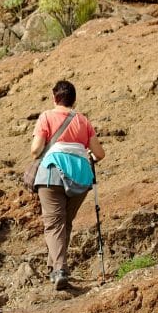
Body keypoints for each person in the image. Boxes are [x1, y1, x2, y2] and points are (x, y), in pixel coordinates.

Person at [30, 80, 105, 290]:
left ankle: (60, 269)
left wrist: (42, 146)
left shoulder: (46, 116)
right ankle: (53, 267)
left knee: (54, 224)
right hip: (81, 176)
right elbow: (99, 154)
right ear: (74, 100)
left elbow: (35, 150)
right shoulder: (83, 121)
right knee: (64, 223)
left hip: (52, 173)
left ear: (55, 98)